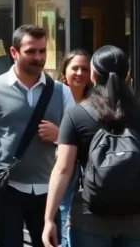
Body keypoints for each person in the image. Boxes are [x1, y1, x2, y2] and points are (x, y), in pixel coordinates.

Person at [0, 24, 75, 247]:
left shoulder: (61, 92)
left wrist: (58, 136)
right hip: (6, 189)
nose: (38, 57)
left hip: (48, 191)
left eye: (43, 51)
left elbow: (77, 138)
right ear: (14, 52)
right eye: (31, 51)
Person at [42, 45, 140, 247]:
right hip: (139, 218)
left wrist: (48, 220)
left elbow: (63, 169)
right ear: (128, 75)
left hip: (89, 218)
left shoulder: (77, 115)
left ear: (94, 75)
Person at [55, 49, 91, 247]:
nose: (79, 73)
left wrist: (58, 134)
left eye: (84, 69)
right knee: (63, 214)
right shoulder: (53, 97)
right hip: (60, 170)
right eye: (74, 68)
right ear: (64, 72)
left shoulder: (96, 101)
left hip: (88, 173)